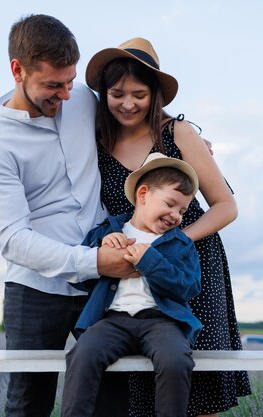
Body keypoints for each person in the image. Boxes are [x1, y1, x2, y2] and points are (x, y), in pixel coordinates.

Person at [0, 15, 136, 417]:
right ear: (17, 70)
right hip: (34, 291)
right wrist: (93, 261)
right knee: (29, 403)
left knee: (113, 400)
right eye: (52, 85)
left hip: (101, 285)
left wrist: (181, 136)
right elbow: (12, 238)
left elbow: (134, 117)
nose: (65, 94)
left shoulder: (81, 99)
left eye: (70, 81)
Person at [84, 37, 252, 416]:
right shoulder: (95, 141)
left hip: (192, 264)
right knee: (142, 386)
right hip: (129, 275)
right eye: (117, 93)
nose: (128, 103)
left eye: (139, 94)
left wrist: (174, 241)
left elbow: (226, 206)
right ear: (104, 95)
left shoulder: (177, 133)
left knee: (201, 383)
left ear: (155, 94)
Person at [61, 153, 203, 417]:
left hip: (161, 322)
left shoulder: (181, 244)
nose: (175, 215)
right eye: (170, 204)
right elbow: (82, 275)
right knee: (83, 354)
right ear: (143, 194)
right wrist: (101, 248)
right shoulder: (110, 231)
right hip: (112, 321)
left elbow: (189, 287)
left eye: (182, 211)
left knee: (175, 360)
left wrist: (151, 262)